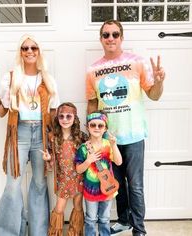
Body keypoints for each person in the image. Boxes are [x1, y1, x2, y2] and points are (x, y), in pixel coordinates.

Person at [86, 20, 165, 236]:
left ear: (121, 37)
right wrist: (91, 135)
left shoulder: (137, 62)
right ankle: (123, 220)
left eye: (115, 34)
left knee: (136, 186)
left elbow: (154, 95)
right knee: (116, 184)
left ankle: (139, 229)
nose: (110, 38)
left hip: (134, 135)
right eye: (106, 35)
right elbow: (93, 103)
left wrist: (158, 81)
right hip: (108, 139)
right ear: (101, 39)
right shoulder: (93, 70)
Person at [0, 34, 59, 236]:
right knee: (12, 185)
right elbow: (2, 112)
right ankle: (5, 232)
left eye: (33, 48)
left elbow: (52, 115)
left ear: (39, 52)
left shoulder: (48, 79)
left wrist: (53, 143)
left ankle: (38, 231)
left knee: (39, 183)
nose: (29, 51)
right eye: (25, 48)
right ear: (20, 52)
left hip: (41, 135)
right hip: (20, 133)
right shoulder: (10, 78)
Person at [42, 102, 88, 236]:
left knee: (78, 206)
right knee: (59, 208)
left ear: (75, 118)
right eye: (61, 116)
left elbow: (90, 151)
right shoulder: (53, 137)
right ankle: (55, 233)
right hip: (62, 179)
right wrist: (48, 158)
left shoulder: (81, 136)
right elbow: (52, 159)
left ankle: (75, 232)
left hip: (79, 177)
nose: (65, 120)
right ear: (57, 118)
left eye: (69, 116)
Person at [75, 111, 122, 236]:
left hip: (108, 188)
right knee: (90, 219)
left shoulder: (108, 145)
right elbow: (78, 169)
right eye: (93, 125)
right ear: (87, 127)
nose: (96, 128)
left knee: (105, 218)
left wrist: (114, 145)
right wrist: (88, 161)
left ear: (105, 128)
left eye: (100, 125)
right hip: (91, 190)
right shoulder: (84, 148)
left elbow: (118, 162)